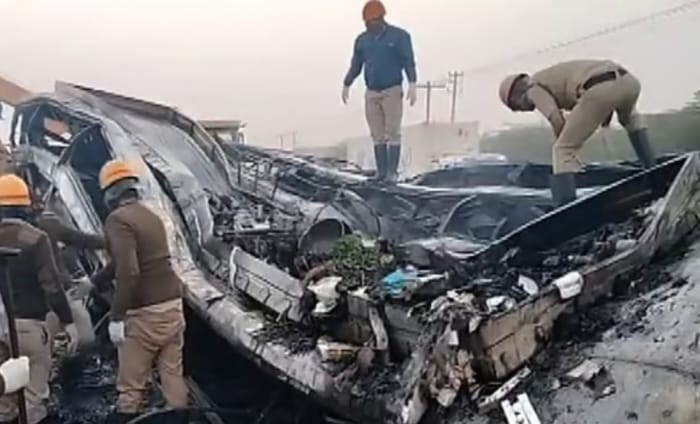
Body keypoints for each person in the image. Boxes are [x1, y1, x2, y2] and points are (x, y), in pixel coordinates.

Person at [97, 160, 187, 423]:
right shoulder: (152, 216)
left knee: (131, 386)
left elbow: (129, 270)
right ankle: (181, 418)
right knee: (172, 375)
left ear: (110, 193)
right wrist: (94, 282)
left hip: (145, 313)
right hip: (172, 306)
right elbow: (125, 262)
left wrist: (116, 317)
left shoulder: (118, 220)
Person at [498, 60, 655, 206]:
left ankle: (566, 207)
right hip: (628, 81)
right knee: (630, 120)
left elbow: (556, 118)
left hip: (599, 88)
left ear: (516, 98)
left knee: (562, 149)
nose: (523, 110)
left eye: (517, 108)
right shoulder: (549, 77)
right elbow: (603, 94)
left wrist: (566, 146)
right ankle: (652, 168)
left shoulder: (533, 88)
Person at [0, 174, 79, 424]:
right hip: (29, 328)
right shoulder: (35, 238)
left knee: (3, 403)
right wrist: (68, 322)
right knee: (33, 400)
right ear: (26, 206)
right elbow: (52, 287)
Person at [342, 0, 417, 183]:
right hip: (372, 92)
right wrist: (347, 83)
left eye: (372, 21)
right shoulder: (362, 41)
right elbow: (356, 65)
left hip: (392, 89)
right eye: (367, 22)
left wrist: (412, 83)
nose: (369, 25)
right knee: (377, 134)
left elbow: (408, 61)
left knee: (393, 132)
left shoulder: (399, 37)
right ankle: (381, 172)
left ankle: (392, 173)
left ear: (381, 18)